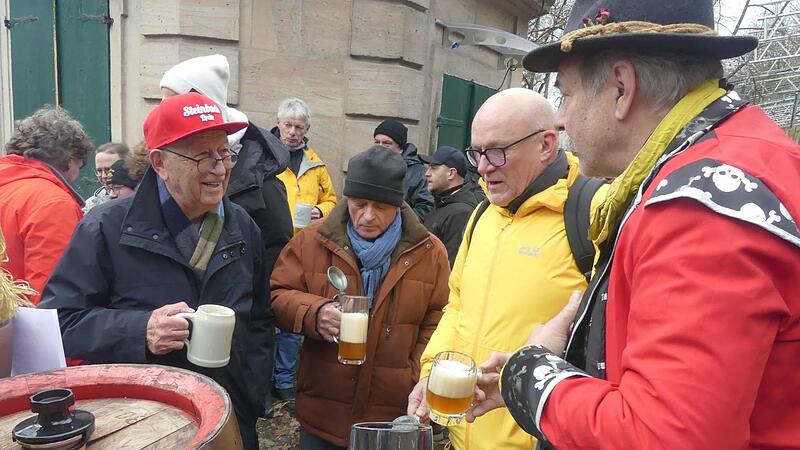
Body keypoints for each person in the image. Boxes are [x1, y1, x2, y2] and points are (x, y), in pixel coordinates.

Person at [468, 1, 800, 449]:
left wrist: (529, 376)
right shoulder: (745, 159)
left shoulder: (700, 205)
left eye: (565, 93)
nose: (560, 118)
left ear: (622, 88)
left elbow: (664, 436)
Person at [39, 92, 274, 449]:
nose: (220, 168)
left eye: (225, 153)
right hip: (141, 422)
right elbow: (60, 322)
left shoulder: (242, 225)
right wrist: (140, 330)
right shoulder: (106, 227)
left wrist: (253, 396)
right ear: (160, 163)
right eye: (202, 155)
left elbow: (258, 319)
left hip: (229, 415)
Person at [406, 88, 607, 450]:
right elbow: (457, 305)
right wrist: (432, 371)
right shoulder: (481, 215)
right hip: (461, 436)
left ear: (546, 144)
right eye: (476, 153)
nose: (482, 167)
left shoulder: (595, 214)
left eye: (497, 151)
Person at [270, 145, 450, 449]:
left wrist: (413, 372)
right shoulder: (313, 240)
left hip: (392, 415)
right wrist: (315, 313)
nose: (367, 216)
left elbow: (441, 319)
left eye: (380, 206)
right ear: (346, 199)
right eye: (359, 203)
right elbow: (278, 295)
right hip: (323, 410)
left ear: (398, 204)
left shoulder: (428, 252)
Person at [160, 54, 293, 282]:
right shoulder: (161, 165)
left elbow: (276, 262)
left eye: (173, 102)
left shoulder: (261, 180)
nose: (163, 111)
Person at [270, 97, 338, 407]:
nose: (293, 132)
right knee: (264, 316)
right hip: (269, 243)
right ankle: (262, 380)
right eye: (288, 125)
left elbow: (333, 202)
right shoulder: (264, 157)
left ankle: (284, 380)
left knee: (293, 315)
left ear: (307, 128)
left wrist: (320, 212)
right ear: (279, 123)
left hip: (302, 248)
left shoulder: (316, 163)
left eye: (299, 126)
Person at [0, 106, 94, 304]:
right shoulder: (53, 203)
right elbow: (52, 296)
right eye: (80, 165)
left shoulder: (8, 186)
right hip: (22, 329)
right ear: (70, 160)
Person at [420, 146, 485, 266]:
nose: (427, 173)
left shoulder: (461, 213)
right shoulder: (442, 203)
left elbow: (450, 266)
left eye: (433, 168)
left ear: (451, 173)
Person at [373, 120, 434, 221]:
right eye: (376, 142)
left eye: (386, 143)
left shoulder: (418, 173)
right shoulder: (368, 168)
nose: (380, 147)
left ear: (400, 148)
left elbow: (425, 208)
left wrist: (394, 223)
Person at [84, 143, 130, 213]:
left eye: (108, 170)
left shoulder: (145, 198)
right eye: (99, 171)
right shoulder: (91, 205)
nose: (103, 176)